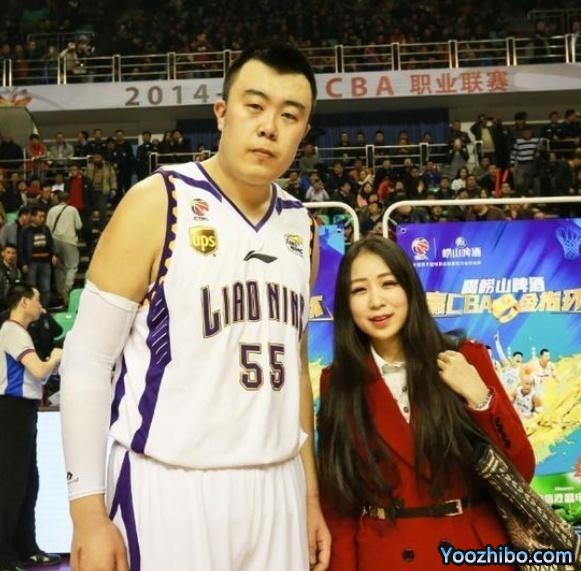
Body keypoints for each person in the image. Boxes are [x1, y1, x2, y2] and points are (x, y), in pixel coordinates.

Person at [60, 44, 330, 571]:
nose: (269, 127)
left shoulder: (303, 227)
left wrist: (310, 496)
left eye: (289, 115)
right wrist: (87, 513)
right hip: (170, 486)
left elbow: (294, 370)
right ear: (222, 113)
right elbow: (88, 358)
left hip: (278, 487)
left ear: (303, 131)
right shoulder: (158, 200)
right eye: (255, 106)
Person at [317, 237, 535, 570]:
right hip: (387, 556)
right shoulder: (338, 382)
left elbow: (521, 470)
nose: (376, 301)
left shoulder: (465, 358)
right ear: (347, 304)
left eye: (388, 284)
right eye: (359, 290)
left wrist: (481, 399)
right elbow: (339, 499)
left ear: (410, 289)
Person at [0, 284, 63, 571]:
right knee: (12, 484)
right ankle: (5, 556)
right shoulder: (12, 331)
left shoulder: (19, 332)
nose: (42, 306)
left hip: (23, 411)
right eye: (37, 300)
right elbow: (38, 370)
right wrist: (56, 357)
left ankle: (26, 547)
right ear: (24, 302)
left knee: (28, 482)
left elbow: (35, 375)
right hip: (12, 411)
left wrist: (49, 364)